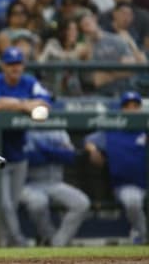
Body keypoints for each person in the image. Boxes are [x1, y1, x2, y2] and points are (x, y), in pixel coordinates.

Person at [0, 46, 51, 247]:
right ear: (3, 66)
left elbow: (45, 104)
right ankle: (18, 242)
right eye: (11, 64)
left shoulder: (29, 81)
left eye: (18, 64)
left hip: (19, 153)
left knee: (11, 205)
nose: (15, 68)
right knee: (3, 205)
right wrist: (24, 105)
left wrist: (12, 103)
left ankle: (5, 246)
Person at [84, 91, 147, 245]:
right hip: (128, 184)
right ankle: (144, 236)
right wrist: (92, 149)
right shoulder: (112, 130)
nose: (132, 110)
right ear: (122, 110)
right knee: (132, 201)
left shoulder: (145, 128)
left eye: (135, 106)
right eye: (127, 106)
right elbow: (89, 140)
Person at [19, 130, 90, 246]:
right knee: (38, 203)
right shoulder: (27, 131)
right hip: (30, 184)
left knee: (82, 203)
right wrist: (56, 152)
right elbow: (31, 158)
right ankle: (48, 236)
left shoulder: (60, 132)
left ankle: (57, 244)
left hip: (55, 183)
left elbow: (69, 157)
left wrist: (44, 150)